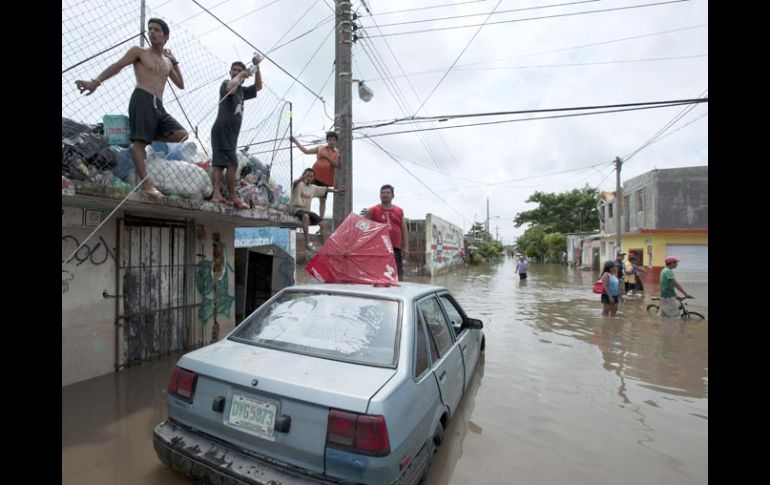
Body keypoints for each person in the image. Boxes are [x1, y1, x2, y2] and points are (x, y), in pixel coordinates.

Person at [75, 18, 188, 199]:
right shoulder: (140, 52)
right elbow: (118, 66)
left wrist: (175, 61)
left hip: (158, 105)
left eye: (157, 30)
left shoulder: (167, 62)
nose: (152, 32)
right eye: (150, 29)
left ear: (166, 36)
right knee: (139, 145)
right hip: (142, 98)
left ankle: (140, 135)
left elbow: (180, 84)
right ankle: (146, 185)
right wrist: (95, 82)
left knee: (181, 134)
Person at [210, 54, 263, 208]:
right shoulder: (226, 84)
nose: (236, 72)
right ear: (230, 72)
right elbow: (230, 88)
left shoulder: (242, 91)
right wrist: (242, 73)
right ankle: (229, 196)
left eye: (239, 70)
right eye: (234, 70)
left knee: (223, 164)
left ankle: (218, 195)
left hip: (231, 134)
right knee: (228, 164)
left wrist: (256, 68)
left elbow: (258, 87)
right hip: (222, 130)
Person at [289, 168, 344, 250]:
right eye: (307, 175)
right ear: (304, 175)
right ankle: (307, 243)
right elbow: (294, 183)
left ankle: (326, 246)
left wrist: (337, 191)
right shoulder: (298, 184)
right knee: (306, 217)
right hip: (296, 209)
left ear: (313, 178)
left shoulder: (313, 188)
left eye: (311, 176)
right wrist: (300, 179)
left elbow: (326, 189)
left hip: (307, 210)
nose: (309, 177)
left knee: (324, 223)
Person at [289, 132, 339, 219]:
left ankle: (321, 218)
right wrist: (296, 142)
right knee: (303, 189)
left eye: (333, 140)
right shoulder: (320, 148)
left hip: (326, 179)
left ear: (336, 141)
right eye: (330, 139)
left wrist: (327, 157)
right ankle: (298, 210)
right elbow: (306, 151)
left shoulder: (337, 153)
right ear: (327, 140)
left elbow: (336, 165)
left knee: (322, 200)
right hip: (314, 175)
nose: (331, 141)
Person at [365, 184, 409, 280]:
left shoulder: (399, 211)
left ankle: (398, 293)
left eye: (388, 193)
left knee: (397, 274)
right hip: (378, 249)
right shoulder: (372, 210)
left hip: (395, 248)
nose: (385, 195)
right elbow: (364, 229)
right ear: (380, 195)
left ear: (392, 196)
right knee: (379, 274)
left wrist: (406, 247)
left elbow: (403, 229)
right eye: (383, 193)